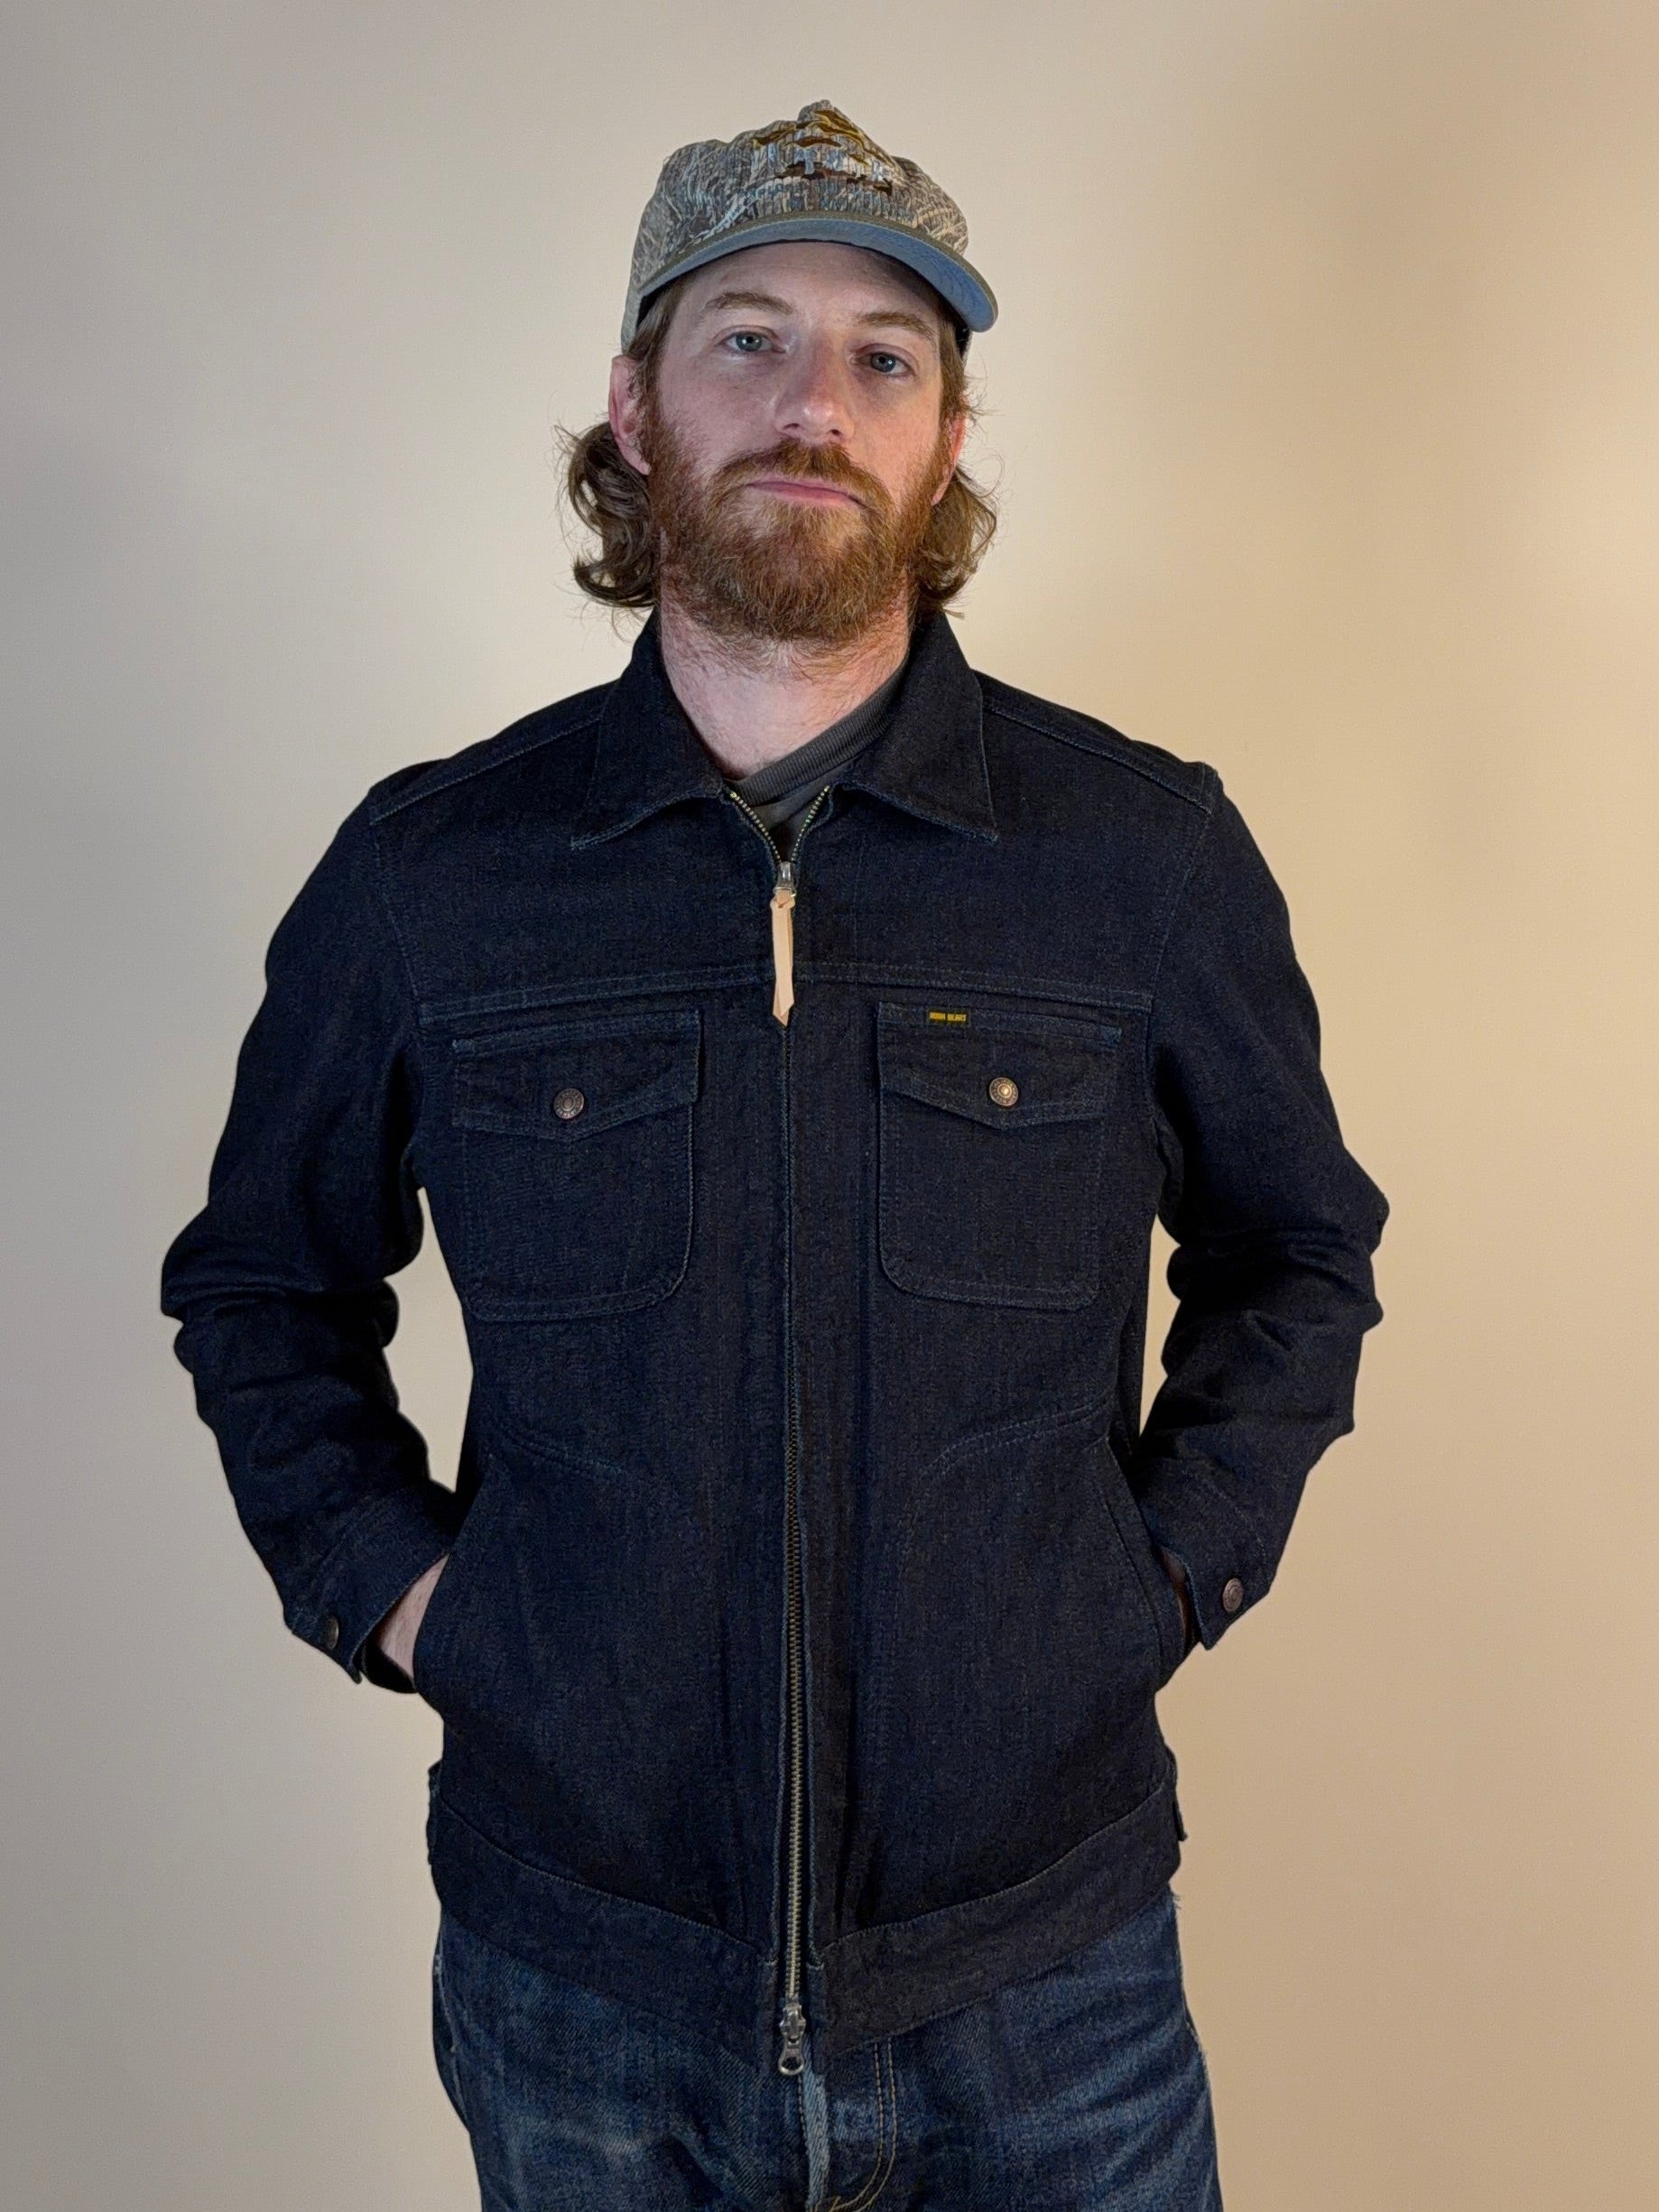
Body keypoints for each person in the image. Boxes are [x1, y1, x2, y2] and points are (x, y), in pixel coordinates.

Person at [160, 97, 1387, 2211]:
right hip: (584, 1978)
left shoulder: (1140, 856)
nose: (815, 401)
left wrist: (1160, 1577)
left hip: (1047, 1976)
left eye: (882, 356)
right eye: (747, 337)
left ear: (945, 435)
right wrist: (416, 1606)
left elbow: (1299, 1256)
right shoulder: (436, 875)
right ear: (634, 404)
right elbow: (262, 1288)